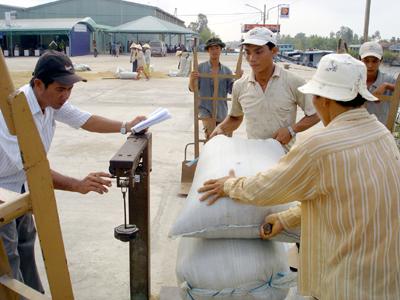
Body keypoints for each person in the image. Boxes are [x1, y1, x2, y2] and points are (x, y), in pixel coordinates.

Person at [198, 53, 400, 299]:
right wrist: (286, 218)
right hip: (387, 280)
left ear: (322, 100)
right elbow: (345, 198)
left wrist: (229, 185)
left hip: (346, 284)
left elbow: (266, 188)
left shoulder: (321, 147)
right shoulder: (381, 134)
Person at [0, 50, 146, 293]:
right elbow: (32, 167)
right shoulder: (13, 112)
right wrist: (77, 184)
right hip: (4, 189)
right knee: (8, 253)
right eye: (61, 89)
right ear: (38, 84)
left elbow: (85, 120)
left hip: (22, 185)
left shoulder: (50, 102)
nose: (66, 96)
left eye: (69, 89)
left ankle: (34, 294)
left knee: (26, 243)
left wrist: (125, 126)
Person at [211, 27, 319, 147]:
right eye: (247, 52)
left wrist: (292, 130)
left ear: (274, 51)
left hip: (284, 158)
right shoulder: (240, 86)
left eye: (258, 52)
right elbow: (235, 118)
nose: (252, 58)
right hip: (255, 156)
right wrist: (221, 128)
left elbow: (315, 114)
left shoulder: (293, 82)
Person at [189, 37, 236, 139]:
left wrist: (238, 79)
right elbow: (193, 89)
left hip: (221, 110)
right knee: (211, 135)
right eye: (212, 49)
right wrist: (191, 79)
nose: (214, 51)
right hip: (205, 109)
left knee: (223, 139)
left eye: (217, 48)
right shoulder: (200, 68)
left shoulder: (227, 71)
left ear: (221, 50)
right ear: (208, 50)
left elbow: (233, 90)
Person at [359, 41, 397, 125]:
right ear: (359, 59)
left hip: (380, 133)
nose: (370, 65)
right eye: (366, 61)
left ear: (381, 60)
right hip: (356, 133)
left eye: (374, 61)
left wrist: (387, 86)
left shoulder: (388, 80)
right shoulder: (353, 80)